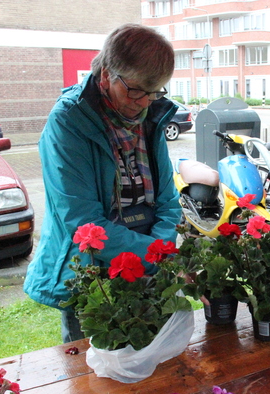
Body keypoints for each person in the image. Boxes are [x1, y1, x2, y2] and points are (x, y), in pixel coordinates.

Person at [24, 24, 182, 343]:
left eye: (155, 92)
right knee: (94, 382)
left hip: (149, 264)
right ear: (107, 75)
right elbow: (84, 224)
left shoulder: (150, 116)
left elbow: (167, 201)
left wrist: (162, 251)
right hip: (94, 274)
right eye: (136, 90)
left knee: (159, 375)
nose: (145, 102)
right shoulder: (68, 123)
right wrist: (157, 255)